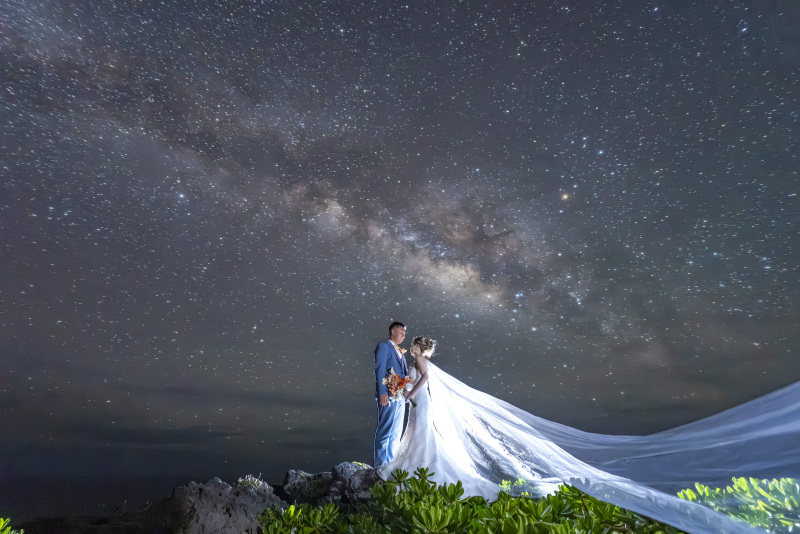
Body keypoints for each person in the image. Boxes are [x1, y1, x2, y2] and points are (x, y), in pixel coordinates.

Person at [376, 337, 800, 534]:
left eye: (414, 348)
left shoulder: (425, 366)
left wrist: (401, 390)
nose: (412, 351)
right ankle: (412, 473)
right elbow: (417, 385)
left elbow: (421, 386)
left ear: (419, 350)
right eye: (412, 349)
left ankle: (415, 476)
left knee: (426, 442)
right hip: (420, 405)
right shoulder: (419, 363)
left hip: (421, 403)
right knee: (424, 438)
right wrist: (403, 389)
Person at [373, 321, 409, 467]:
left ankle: (389, 467)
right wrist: (383, 393)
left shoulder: (400, 352)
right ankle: (380, 467)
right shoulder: (383, 346)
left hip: (400, 397)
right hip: (388, 395)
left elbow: (404, 374)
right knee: (385, 432)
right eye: (401, 333)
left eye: (405, 334)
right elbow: (380, 369)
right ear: (393, 332)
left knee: (396, 433)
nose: (403, 336)